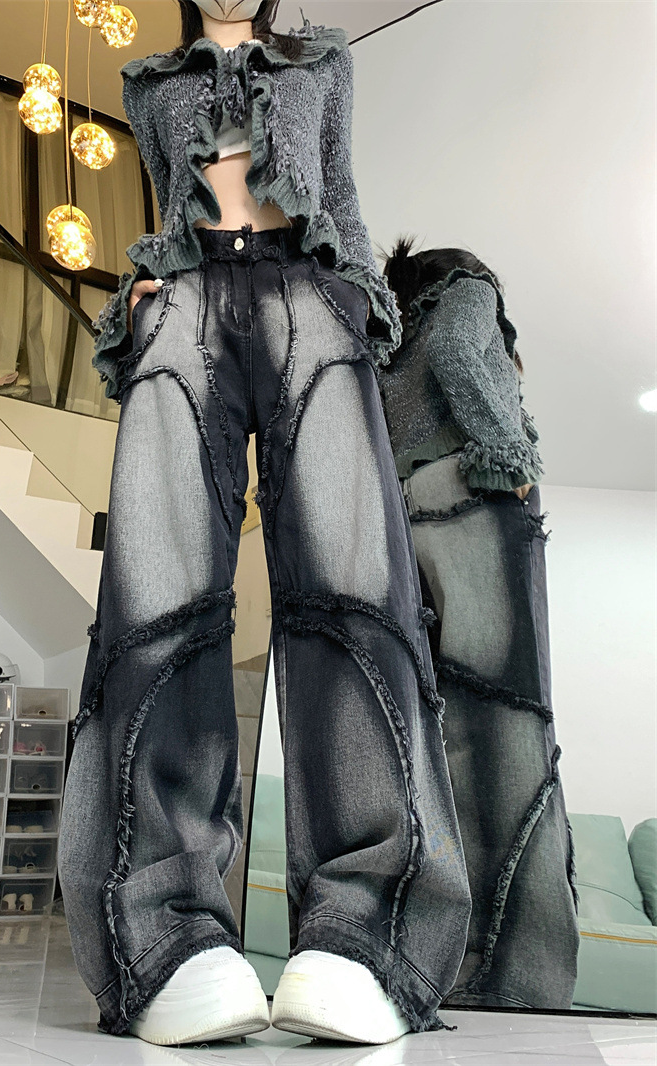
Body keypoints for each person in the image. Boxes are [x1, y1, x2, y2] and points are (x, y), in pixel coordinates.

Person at [57, 4, 472, 1046]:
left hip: (309, 289)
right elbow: (164, 200)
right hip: (184, 296)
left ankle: (367, 931)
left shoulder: (322, 62)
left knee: (354, 593)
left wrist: (357, 308)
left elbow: (341, 194)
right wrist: (141, 296)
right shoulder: (151, 83)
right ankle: (160, 932)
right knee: (155, 596)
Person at [378, 237, 580, 1010]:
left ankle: (444, 958)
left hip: (412, 521)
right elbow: (464, 350)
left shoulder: (390, 339)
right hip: (474, 503)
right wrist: (507, 454)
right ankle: (521, 972)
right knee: (512, 727)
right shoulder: (468, 290)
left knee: (443, 739)